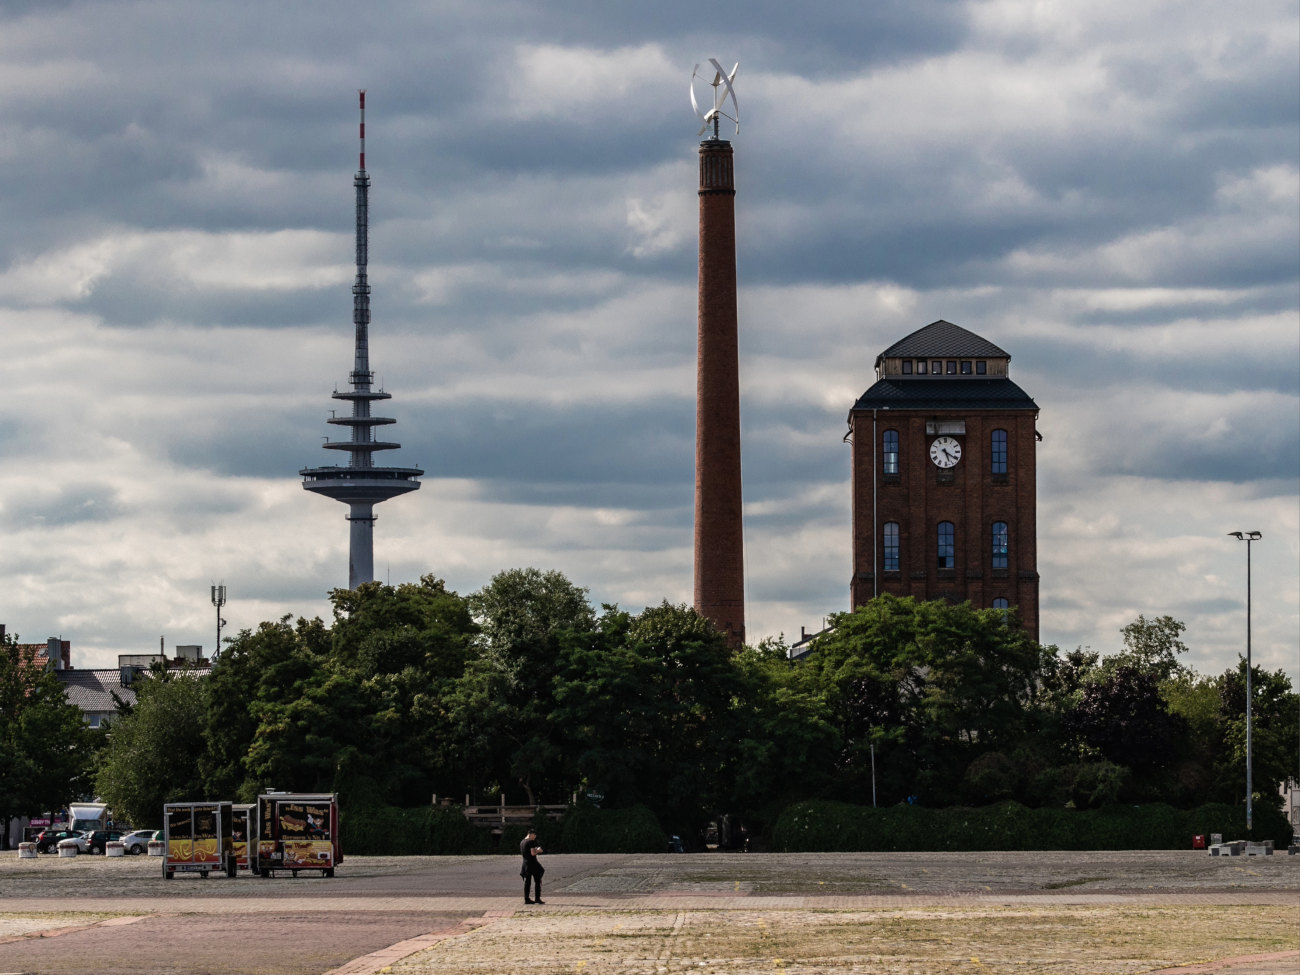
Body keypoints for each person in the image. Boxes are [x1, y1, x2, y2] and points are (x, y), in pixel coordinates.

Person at [519, 828, 545, 904]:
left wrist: (535, 850)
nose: (535, 837)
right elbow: (533, 853)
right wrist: (539, 850)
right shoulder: (531, 841)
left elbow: (527, 852)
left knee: (527, 882)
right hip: (533, 864)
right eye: (534, 835)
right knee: (537, 881)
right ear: (530, 834)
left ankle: (526, 899)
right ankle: (537, 898)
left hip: (525, 864)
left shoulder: (522, 841)